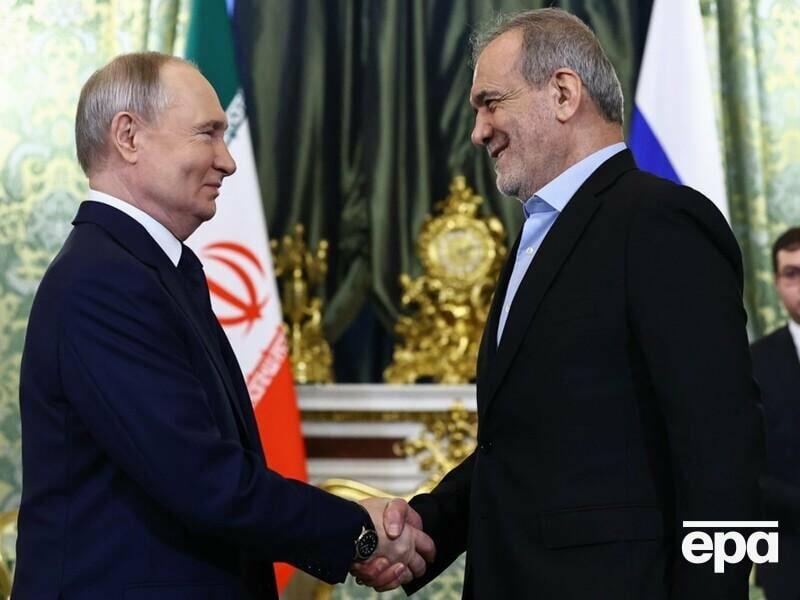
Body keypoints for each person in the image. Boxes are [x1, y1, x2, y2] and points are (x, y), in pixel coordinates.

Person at [354, 8, 763, 599]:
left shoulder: (660, 221)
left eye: (491, 103)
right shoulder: (539, 234)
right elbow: (522, 444)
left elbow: (724, 445)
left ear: (564, 93)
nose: (478, 131)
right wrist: (427, 528)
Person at [13, 52, 433, 599]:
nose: (228, 161)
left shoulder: (150, 269)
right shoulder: (104, 279)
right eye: (207, 133)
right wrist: (357, 533)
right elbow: (200, 479)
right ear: (128, 137)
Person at [751, 227, 800, 600]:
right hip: (788, 557)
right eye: (792, 273)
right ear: (777, 282)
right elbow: (746, 467)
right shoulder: (753, 363)